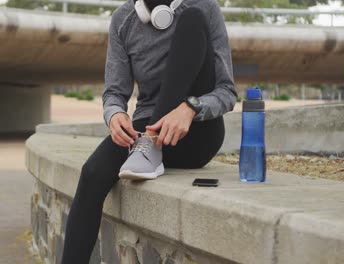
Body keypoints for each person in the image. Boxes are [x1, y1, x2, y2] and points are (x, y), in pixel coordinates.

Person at [62, 0, 236, 261]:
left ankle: (152, 146)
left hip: (197, 130)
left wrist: (191, 108)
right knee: (92, 172)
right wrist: (115, 114)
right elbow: (114, 92)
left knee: (192, 19)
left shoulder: (204, 6)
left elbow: (227, 92)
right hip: (145, 130)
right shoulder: (123, 19)